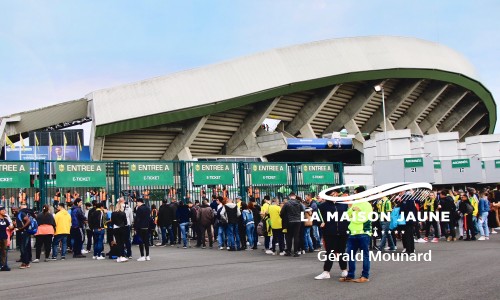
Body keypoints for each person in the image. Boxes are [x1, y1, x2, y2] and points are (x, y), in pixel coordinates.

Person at [315, 190, 349, 280]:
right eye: (332, 194)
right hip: (329, 233)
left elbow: (348, 217)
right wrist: (320, 223)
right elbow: (316, 217)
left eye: (336, 193)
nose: (335, 195)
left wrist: (347, 226)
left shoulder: (343, 205)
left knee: (342, 251)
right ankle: (326, 272)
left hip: (342, 232)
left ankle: (344, 270)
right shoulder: (322, 206)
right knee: (330, 252)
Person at [341, 186, 372, 283]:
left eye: (355, 193)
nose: (354, 195)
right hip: (352, 233)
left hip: (363, 233)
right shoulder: (354, 204)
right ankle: (350, 275)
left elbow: (363, 218)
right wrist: (354, 210)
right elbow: (348, 215)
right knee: (350, 255)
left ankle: (365, 276)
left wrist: (355, 211)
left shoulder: (367, 204)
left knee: (365, 255)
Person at [280, 192, 304, 257]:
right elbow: (303, 211)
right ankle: (296, 251)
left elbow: (281, 213)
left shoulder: (287, 203)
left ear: (290, 196)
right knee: (296, 236)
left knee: (288, 237)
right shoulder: (299, 203)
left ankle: (289, 251)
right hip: (298, 221)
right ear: (295, 196)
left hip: (289, 221)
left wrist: (285, 218)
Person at [16, 203, 34, 269]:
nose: (13, 210)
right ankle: (26, 261)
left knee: (23, 247)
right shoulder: (27, 213)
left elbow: (28, 221)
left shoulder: (21, 213)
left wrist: (22, 227)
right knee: (24, 247)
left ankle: (25, 262)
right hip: (25, 232)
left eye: (14, 209)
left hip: (23, 232)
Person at [0, 206, 13, 271]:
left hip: (4, 237)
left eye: (5, 210)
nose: (4, 211)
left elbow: (10, 227)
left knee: (4, 251)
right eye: (3, 210)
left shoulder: (5, 220)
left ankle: (4, 265)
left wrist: (14, 225)